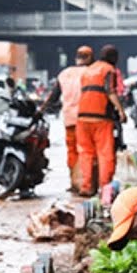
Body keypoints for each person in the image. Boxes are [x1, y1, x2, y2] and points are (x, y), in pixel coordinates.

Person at [75, 45, 127, 197]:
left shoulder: (88, 71)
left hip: (82, 117)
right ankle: (105, 189)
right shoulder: (109, 70)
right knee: (105, 154)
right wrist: (121, 111)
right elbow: (109, 91)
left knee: (86, 153)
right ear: (114, 58)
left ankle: (86, 187)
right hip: (101, 118)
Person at [43, 45, 94, 192]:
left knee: (72, 151)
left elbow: (53, 96)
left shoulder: (64, 73)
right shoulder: (91, 72)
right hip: (86, 118)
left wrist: (41, 110)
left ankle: (73, 182)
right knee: (85, 151)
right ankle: (86, 184)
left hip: (69, 119)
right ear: (90, 58)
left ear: (76, 58)